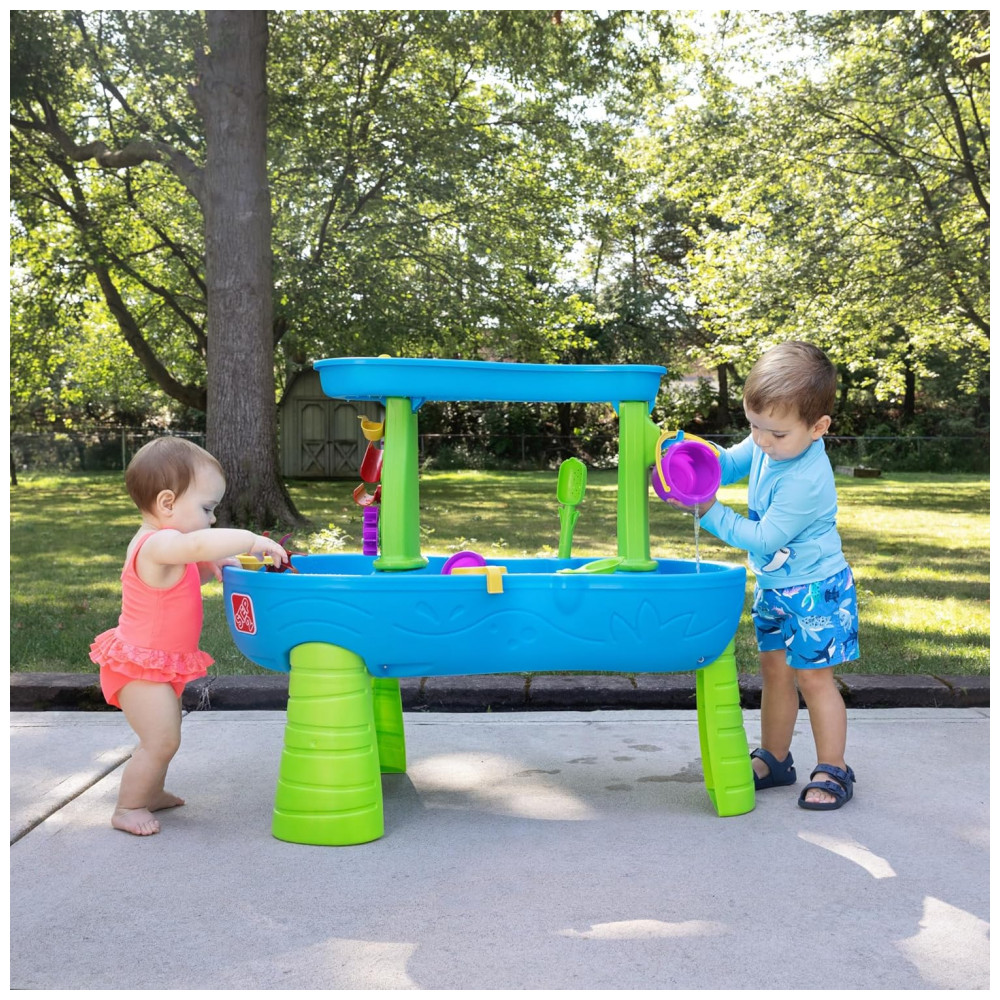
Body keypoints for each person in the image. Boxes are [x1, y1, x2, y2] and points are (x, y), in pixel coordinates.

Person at [681, 341, 859, 810]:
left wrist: (707, 510)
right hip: (776, 587)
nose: (761, 441)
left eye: (775, 433)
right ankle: (776, 759)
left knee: (813, 678)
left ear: (818, 428)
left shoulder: (805, 478)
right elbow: (729, 464)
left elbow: (763, 537)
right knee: (775, 673)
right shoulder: (769, 442)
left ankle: (834, 768)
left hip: (816, 591)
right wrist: (691, 461)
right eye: (753, 426)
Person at [90, 437, 289, 835]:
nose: (212, 520)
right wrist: (250, 540)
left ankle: (151, 791)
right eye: (207, 508)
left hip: (158, 663)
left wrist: (208, 564)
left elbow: (183, 573)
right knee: (161, 740)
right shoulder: (157, 543)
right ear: (167, 503)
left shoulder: (168, 552)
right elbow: (194, 543)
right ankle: (128, 807)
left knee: (166, 735)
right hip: (139, 667)